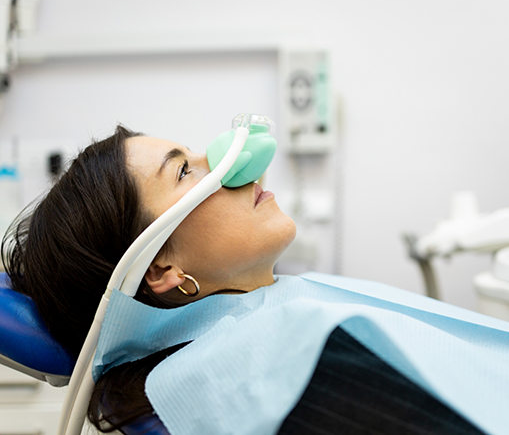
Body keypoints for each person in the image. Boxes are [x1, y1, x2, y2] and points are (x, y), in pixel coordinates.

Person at [1, 126, 496, 435]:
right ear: (160, 269)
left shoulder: (278, 320)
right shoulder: (273, 368)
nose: (228, 166)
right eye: (185, 171)